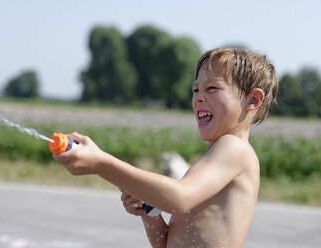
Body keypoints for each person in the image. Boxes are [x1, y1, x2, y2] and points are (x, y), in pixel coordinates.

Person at [53, 47, 278, 248]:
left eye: (211, 88)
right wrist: (150, 213)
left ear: (253, 100)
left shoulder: (234, 149)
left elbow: (179, 198)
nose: (198, 98)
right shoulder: (213, 159)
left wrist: (101, 164)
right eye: (195, 90)